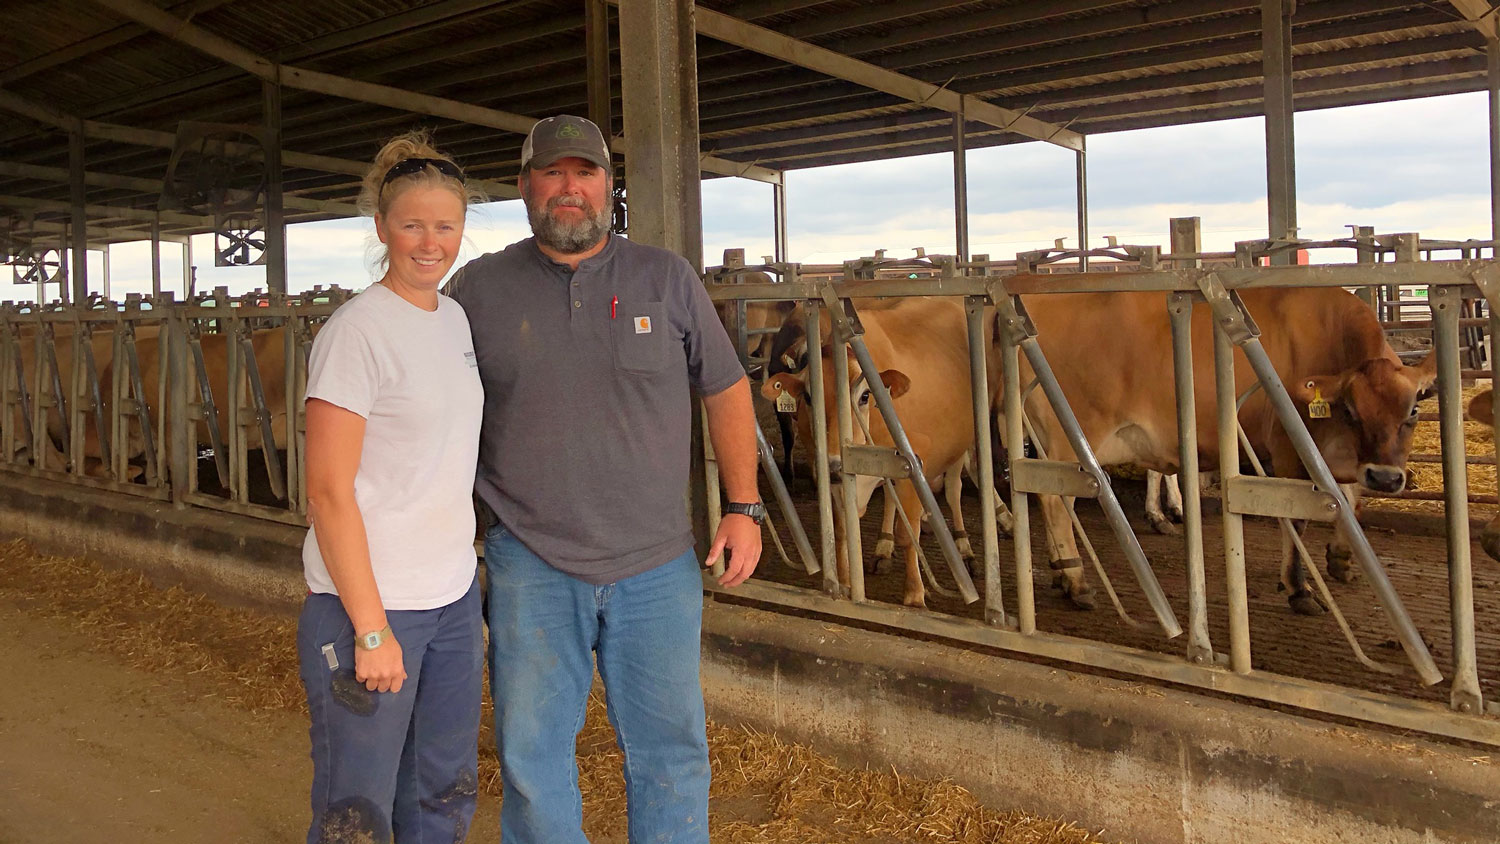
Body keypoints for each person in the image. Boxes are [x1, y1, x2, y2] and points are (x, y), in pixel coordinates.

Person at [445, 114, 763, 844]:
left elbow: (725, 387)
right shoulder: (478, 289)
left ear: (608, 187)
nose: (568, 188)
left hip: (656, 562)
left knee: (670, 750)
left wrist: (744, 507)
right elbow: (433, 406)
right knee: (532, 752)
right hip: (529, 559)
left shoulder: (664, 277)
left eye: (584, 173)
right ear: (525, 186)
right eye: (551, 174)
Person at [296, 132, 485, 844]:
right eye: (412, 225)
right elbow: (329, 494)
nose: (430, 243)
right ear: (382, 229)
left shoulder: (454, 319)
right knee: (360, 811)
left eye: (446, 226)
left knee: (442, 791)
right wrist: (371, 630)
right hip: (369, 610)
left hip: (452, 602)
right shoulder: (357, 332)